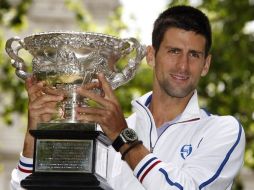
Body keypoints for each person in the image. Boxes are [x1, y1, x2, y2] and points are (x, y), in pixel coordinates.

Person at [11, 5, 245, 190]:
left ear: (206, 65)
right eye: (174, 51)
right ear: (151, 56)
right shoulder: (103, 134)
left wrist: (122, 137)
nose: (183, 66)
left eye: (194, 55)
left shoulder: (222, 131)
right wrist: (34, 136)